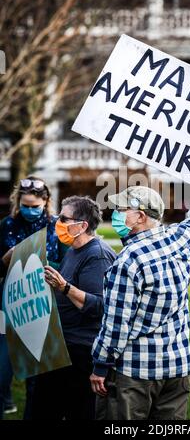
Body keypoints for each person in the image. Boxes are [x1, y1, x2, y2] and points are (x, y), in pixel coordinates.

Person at [90, 163, 190, 420]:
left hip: (135, 374)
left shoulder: (127, 262)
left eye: (121, 209)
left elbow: (116, 326)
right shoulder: (179, 239)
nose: (115, 214)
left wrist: (100, 366)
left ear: (140, 217)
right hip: (178, 368)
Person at [31, 195, 116, 420]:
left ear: (82, 225)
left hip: (80, 353)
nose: (58, 222)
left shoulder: (97, 256)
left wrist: (64, 286)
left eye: (64, 218)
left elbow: (100, 306)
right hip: (60, 346)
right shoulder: (74, 249)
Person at [0, 176, 67, 420]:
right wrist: (5, 261)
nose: (29, 210)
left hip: (42, 310)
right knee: (1, 374)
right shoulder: (6, 225)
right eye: (25, 205)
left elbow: (68, 266)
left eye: (34, 206)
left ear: (46, 201)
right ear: (18, 201)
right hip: (8, 309)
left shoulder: (57, 227)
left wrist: (44, 264)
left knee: (37, 383)